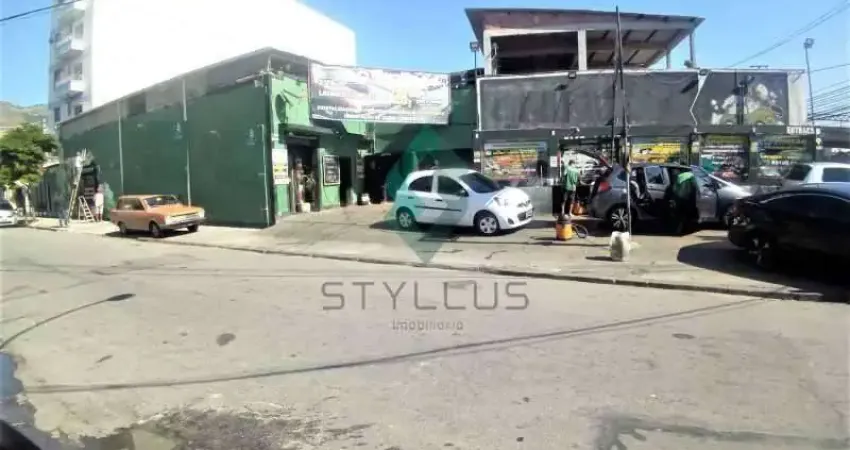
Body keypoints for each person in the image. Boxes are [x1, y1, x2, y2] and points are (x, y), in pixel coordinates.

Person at [671, 169, 698, 235]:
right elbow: (695, 187)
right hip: (688, 199)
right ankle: (685, 230)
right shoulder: (692, 176)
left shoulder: (679, 177)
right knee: (687, 215)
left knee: (679, 215)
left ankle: (678, 229)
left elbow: (674, 189)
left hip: (679, 198)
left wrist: (674, 198)